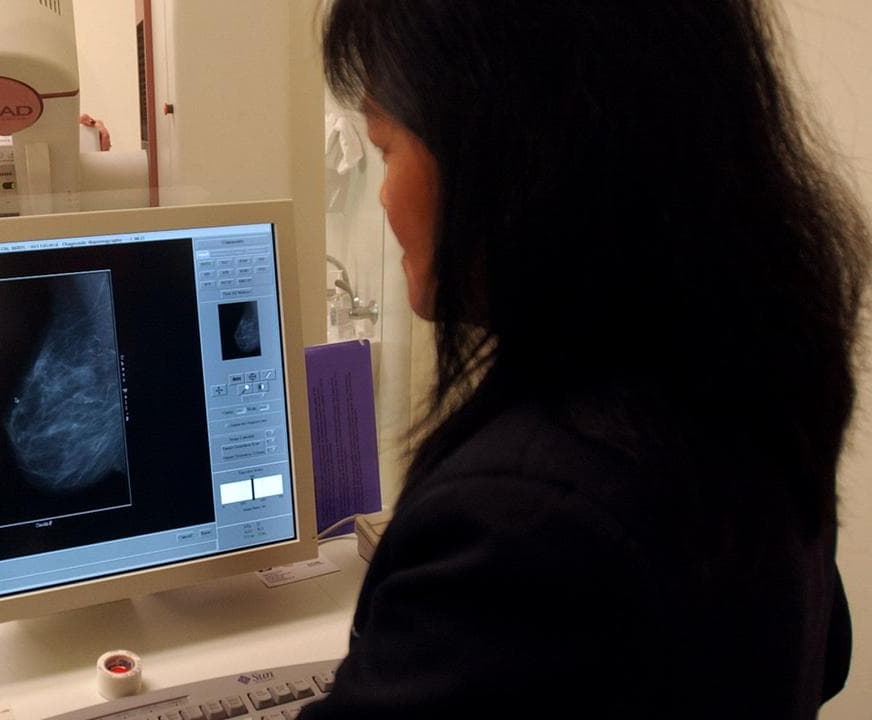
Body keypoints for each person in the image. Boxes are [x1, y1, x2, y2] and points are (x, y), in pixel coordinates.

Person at [301, 1, 866, 717]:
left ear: (506, 150)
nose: (382, 196)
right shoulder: (747, 380)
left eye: (386, 147)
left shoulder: (522, 524)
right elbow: (828, 652)